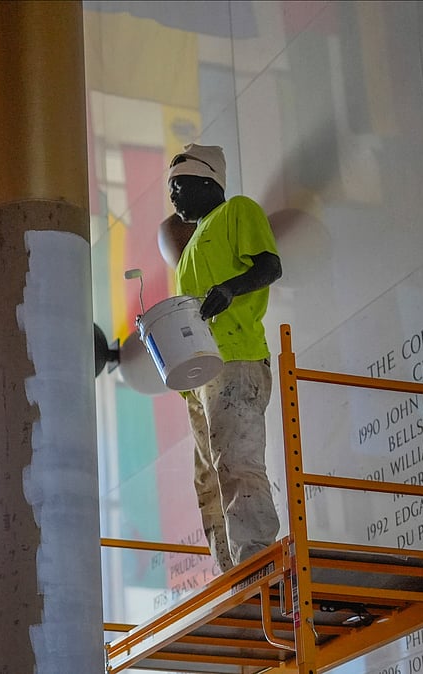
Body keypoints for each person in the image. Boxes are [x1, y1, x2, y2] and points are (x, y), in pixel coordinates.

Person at [158, 144, 282, 572]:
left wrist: (231, 289)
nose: (172, 195)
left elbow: (269, 266)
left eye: (179, 185)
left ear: (208, 180)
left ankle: (257, 563)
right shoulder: (190, 249)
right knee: (208, 480)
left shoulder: (237, 211)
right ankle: (231, 573)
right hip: (201, 376)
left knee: (236, 462)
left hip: (236, 359)